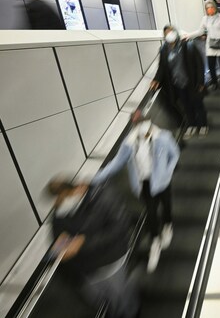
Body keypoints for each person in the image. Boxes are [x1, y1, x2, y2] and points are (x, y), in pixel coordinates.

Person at [92, 111, 180, 273]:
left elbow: (174, 155)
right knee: (151, 212)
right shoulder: (130, 143)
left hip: (162, 181)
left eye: (146, 131)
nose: (145, 134)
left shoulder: (163, 137)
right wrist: (95, 178)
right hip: (144, 184)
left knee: (166, 205)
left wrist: (167, 173)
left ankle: (167, 225)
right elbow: (116, 164)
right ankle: (155, 242)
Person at [47, 177, 139, 318]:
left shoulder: (103, 197)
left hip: (110, 262)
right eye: (58, 202)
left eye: (63, 197)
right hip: (87, 272)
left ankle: (131, 313)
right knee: (105, 300)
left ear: (78, 189)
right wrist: (60, 249)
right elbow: (59, 241)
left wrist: (83, 242)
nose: (60, 203)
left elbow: (119, 227)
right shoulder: (59, 214)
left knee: (121, 296)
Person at [151, 25, 208, 139]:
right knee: (186, 105)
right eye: (166, 33)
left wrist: (201, 82)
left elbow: (199, 64)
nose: (169, 35)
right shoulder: (164, 50)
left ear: (176, 33)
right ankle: (191, 125)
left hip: (192, 81)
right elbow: (162, 67)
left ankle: (203, 125)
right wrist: (156, 79)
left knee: (197, 103)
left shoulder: (188, 45)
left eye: (171, 32)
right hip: (177, 83)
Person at [187, 0, 220, 90]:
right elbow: (201, 31)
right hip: (210, 44)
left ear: (215, 7)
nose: (210, 9)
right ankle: (214, 82)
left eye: (211, 7)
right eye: (208, 8)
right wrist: (189, 35)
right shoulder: (205, 19)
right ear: (206, 9)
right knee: (211, 64)